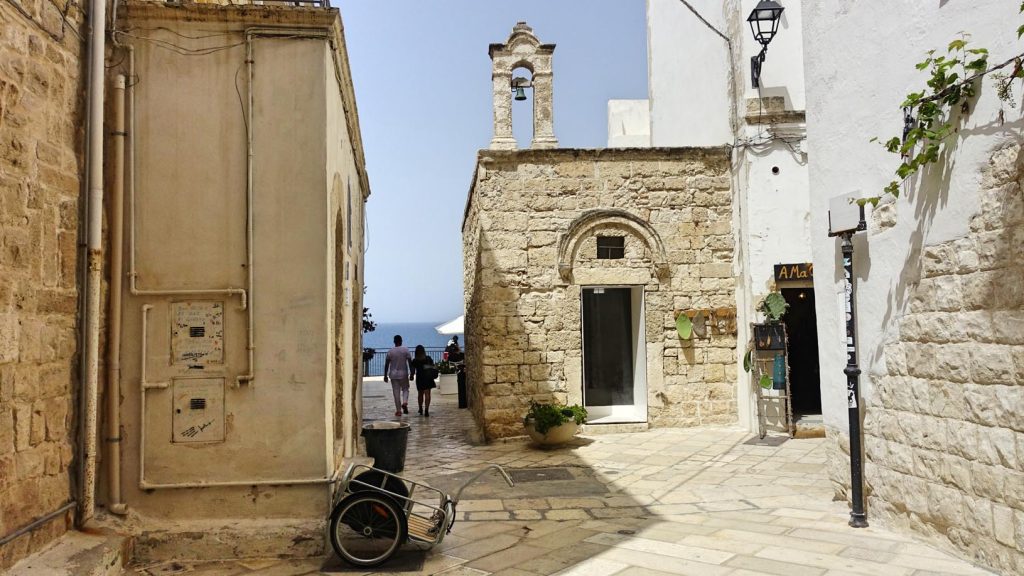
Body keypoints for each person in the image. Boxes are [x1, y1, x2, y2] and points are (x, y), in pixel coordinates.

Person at [383, 335, 412, 417]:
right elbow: (410, 362)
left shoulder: (390, 352)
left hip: (393, 375)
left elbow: (387, 364)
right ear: (401, 341)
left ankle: (398, 411)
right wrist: (412, 372)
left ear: (394, 341)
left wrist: (385, 375)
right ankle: (405, 401)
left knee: (396, 393)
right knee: (406, 389)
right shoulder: (406, 350)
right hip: (404, 374)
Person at [410, 345, 436, 417]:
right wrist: (427, 366)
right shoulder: (428, 358)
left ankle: (420, 408)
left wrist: (411, 376)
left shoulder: (415, 360)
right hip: (428, 378)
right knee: (427, 394)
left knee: (420, 394)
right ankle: (426, 410)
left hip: (420, 378)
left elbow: (412, 370)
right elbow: (433, 366)